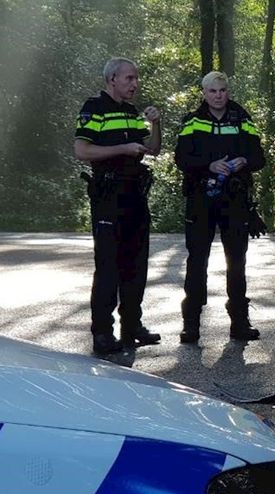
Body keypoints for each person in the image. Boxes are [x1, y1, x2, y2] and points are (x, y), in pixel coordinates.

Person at [73, 57, 163, 354]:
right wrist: (122, 148)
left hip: (135, 194)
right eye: (130, 78)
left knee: (136, 265)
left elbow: (153, 149)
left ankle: (132, 326)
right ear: (112, 78)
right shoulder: (94, 107)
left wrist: (155, 123)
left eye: (136, 78)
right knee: (108, 267)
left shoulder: (131, 111)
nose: (135, 83)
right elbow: (82, 150)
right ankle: (102, 333)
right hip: (108, 196)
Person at [174, 71, 267, 344]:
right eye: (213, 91)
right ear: (204, 93)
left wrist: (242, 162)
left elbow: (258, 157)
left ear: (228, 91)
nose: (218, 96)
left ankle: (239, 321)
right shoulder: (192, 121)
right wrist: (208, 165)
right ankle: (191, 323)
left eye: (223, 90)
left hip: (234, 200)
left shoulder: (242, 118)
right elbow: (181, 157)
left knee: (236, 262)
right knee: (196, 261)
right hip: (201, 198)